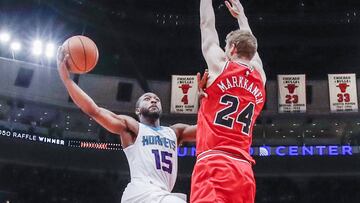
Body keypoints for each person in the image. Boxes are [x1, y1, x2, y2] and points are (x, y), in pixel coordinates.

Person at [57, 50, 197, 203]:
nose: (153, 100)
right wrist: (67, 80)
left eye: (156, 99)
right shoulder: (132, 127)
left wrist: (206, 98)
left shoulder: (175, 132)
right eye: (147, 99)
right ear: (137, 110)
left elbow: (208, 128)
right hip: (142, 192)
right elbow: (94, 110)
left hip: (161, 194)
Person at [191, 0, 266, 202]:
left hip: (215, 164)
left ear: (232, 49)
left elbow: (206, 25)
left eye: (225, 46)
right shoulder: (260, 75)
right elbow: (252, 47)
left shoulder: (221, 66)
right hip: (244, 170)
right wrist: (242, 16)